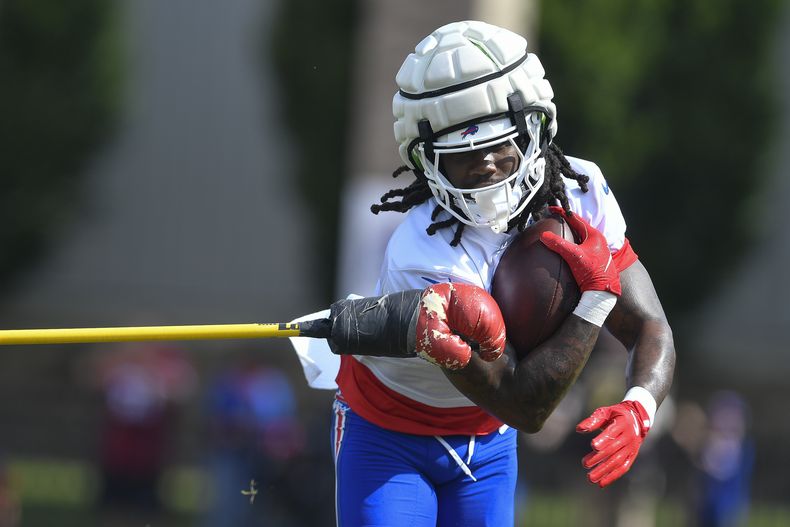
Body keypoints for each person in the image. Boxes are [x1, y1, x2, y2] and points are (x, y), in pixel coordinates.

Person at [321, 20, 675, 526]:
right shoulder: (421, 252)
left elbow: (649, 325)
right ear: (427, 162)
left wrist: (641, 405)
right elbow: (525, 405)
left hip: (485, 441)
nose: (486, 164)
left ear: (534, 128)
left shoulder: (581, 194)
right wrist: (594, 298)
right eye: (463, 154)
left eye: (499, 144)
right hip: (388, 434)